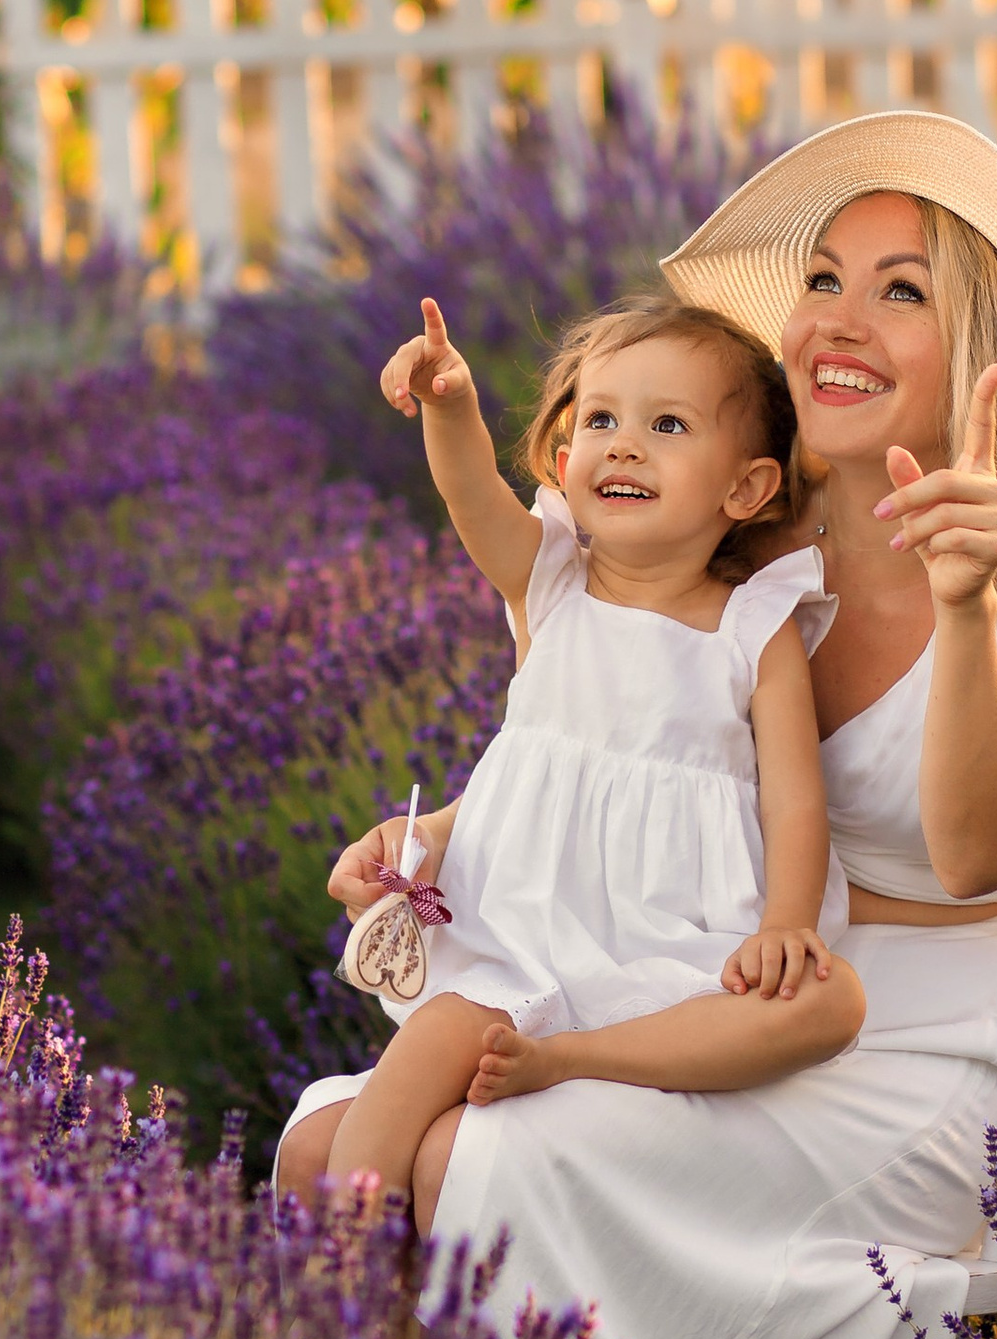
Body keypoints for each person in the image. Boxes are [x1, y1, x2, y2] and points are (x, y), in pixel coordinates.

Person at [273, 110, 997, 1339]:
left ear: (991, 360)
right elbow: (604, 754)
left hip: (902, 1068)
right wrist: (431, 842)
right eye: (825, 277)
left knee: (474, 1152)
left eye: (904, 293)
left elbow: (975, 849)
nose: (837, 318)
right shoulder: (738, 551)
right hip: (684, 984)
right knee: (325, 1138)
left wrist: (959, 613)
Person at [297, 286, 863, 1218]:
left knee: (824, 1003)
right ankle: (352, 1265)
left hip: (671, 941)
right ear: (566, 459)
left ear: (747, 488)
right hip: (527, 939)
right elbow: (470, 495)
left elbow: (795, 800)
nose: (624, 443)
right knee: (437, 1041)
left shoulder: (754, 629)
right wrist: (452, 405)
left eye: (668, 424)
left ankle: (566, 1065)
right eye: (601, 418)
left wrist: (788, 923)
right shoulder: (553, 579)